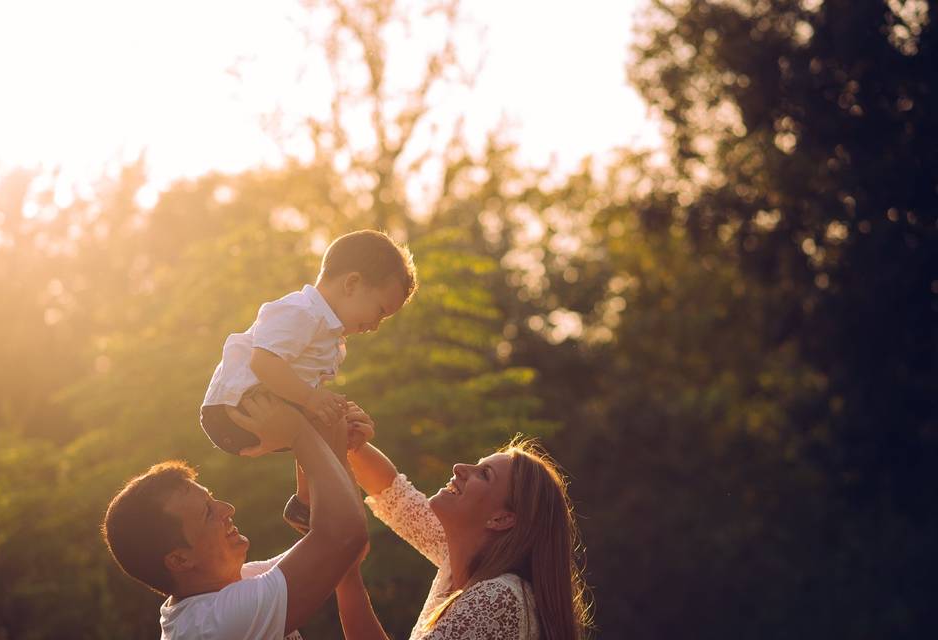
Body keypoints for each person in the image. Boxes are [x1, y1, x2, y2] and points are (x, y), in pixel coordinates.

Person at [282, 404, 593, 640]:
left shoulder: (499, 598)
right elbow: (394, 495)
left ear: (501, 518)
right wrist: (350, 444)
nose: (460, 467)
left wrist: (345, 572)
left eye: (484, 474)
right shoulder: (462, 561)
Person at [199, 228, 416, 527]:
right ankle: (311, 501)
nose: (376, 325)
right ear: (351, 283)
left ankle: (307, 502)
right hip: (233, 406)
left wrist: (321, 405)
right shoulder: (301, 312)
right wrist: (311, 399)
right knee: (327, 415)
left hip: (263, 404)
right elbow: (263, 362)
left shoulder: (329, 334)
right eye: (379, 311)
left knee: (336, 419)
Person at [102, 396, 368, 639]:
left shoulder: (229, 585)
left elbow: (344, 548)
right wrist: (298, 432)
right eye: (208, 512)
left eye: (212, 498)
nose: (227, 509)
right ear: (180, 559)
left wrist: (331, 443)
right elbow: (343, 535)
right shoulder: (216, 626)